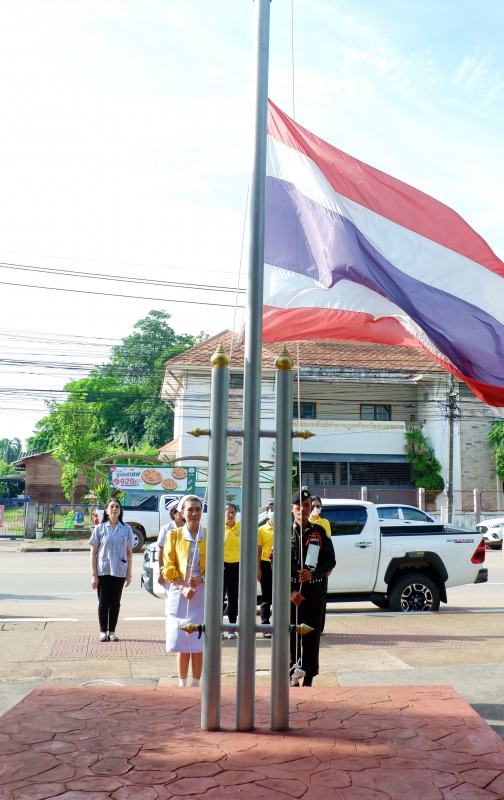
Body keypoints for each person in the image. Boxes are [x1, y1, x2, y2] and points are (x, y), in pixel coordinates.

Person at [290, 488, 336, 687]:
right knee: (291, 637)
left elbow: (330, 561)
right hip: (291, 595)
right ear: (292, 509)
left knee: (311, 636)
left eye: (307, 507)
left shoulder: (319, 533)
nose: (303, 510)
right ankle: (291, 675)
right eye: (299, 507)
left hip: (313, 592)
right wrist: (289, 592)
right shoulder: (282, 534)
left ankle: (308, 677)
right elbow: (274, 566)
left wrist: (314, 573)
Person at [161, 495, 206, 687]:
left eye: (197, 509)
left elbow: (217, 565)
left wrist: (201, 579)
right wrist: (182, 586)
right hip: (180, 592)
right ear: (182, 513)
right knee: (181, 640)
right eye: (190, 510)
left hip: (201, 592)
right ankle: (181, 683)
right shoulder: (174, 535)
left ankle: (196, 683)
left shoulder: (209, 536)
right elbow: (168, 566)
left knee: (198, 640)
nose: (194, 513)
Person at [89, 498, 134, 643]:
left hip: (120, 571)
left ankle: (112, 632)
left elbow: (129, 553)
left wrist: (129, 574)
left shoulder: (126, 529)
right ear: (106, 510)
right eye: (112, 507)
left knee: (115, 603)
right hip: (103, 570)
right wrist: (93, 575)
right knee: (103, 602)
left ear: (120, 511)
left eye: (117, 507)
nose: (115, 509)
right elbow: (93, 553)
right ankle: (103, 632)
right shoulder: (100, 529)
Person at [309, 495, 332, 634]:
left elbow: (329, 544)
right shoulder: (304, 521)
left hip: (321, 563)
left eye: (318, 506)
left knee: (321, 597)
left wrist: (329, 566)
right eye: (312, 506)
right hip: (308, 564)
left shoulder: (325, 523)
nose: (315, 509)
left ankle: (319, 627)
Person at [222, 502, 240, 639]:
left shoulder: (240, 529)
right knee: (219, 599)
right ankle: (219, 628)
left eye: (233, 512)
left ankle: (232, 628)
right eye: (227, 511)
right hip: (221, 566)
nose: (230, 514)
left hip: (236, 566)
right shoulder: (218, 529)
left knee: (233, 599)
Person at [156, 499, 184, 586]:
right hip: (170, 571)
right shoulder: (166, 529)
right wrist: (161, 573)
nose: (183, 515)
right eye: (180, 512)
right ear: (173, 514)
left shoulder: (189, 528)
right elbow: (161, 551)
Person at [257, 501, 274, 638]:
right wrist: (258, 569)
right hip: (266, 564)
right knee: (266, 596)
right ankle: (265, 624)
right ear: (267, 513)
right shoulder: (261, 530)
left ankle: (280, 624)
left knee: (281, 597)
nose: (274, 513)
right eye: (271, 510)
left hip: (281, 565)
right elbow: (258, 551)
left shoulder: (286, 527)